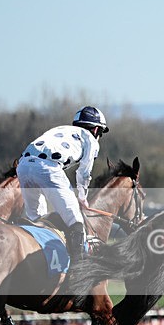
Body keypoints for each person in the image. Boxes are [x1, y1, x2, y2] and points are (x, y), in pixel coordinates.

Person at [16, 106, 109, 262]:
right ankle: (77, 269)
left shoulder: (61, 129)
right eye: (100, 133)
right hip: (47, 167)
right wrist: (82, 198)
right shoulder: (90, 139)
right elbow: (83, 173)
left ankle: (38, 262)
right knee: (76, 221)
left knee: (37, 220)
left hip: (23, 166)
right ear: (95, 130)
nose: (99, 136)